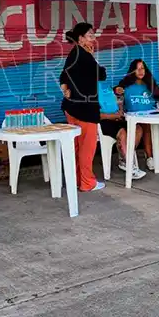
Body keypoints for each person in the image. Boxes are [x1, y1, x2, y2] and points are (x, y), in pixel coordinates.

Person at [59, 23, 106, 192]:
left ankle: (78, 179)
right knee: (87, 147)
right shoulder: (85, 56)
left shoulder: (73, 54)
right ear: (80, 38)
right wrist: (93, 57)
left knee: (78, 146)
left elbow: (62, 76)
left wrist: (66, 90)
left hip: (72, 108)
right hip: (85, 109)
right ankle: (87, 183)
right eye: (90, 35)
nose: (93, 38)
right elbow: (101, 74)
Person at [116, 59, 159, 170]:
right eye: (138, 69)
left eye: (143, 68)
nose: (141, 71)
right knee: (143, 127)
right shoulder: (126, 85)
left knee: (149, 126)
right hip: (132, 118)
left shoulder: (150, 83)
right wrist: (116, 90)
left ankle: (152, 157)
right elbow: (117, 95)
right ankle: (135, 156)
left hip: (150, 116)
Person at [98, 84, 147, 180]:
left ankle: (124, 157)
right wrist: (113, 116)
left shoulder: (106, 88)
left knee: (137, 129)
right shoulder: (89, 93)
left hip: (117, 118)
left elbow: (118, 103)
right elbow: (96, 115)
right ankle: (129, 165)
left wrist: (120, 109)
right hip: (104, 122)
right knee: (122, 133)